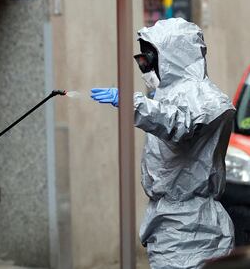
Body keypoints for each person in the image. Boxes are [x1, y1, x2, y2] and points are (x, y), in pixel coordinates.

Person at [91, 18, 235, 268]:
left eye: (148, 59)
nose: (145, 67)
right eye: (141, 60)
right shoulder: (169, 95)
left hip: (192, 227)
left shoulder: (206, 97)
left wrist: (133, 102)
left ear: (173, 55)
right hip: (169, 223)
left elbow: (180, 125)